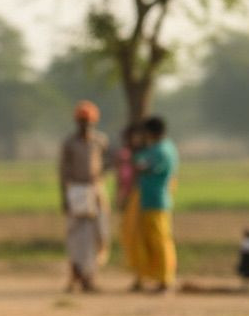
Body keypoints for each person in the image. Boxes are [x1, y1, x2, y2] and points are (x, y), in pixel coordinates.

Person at [58, 100, 109, 292]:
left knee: (99, 235)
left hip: (96, 190)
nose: (85, 125)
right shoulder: (69, 143)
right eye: (82, 121)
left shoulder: (100, 141)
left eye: (88, 122)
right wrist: (64, 197)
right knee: (77, 236)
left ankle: (90, 277)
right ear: (77, 122)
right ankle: (75, 276)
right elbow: (63, 171)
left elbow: (109, 161)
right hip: (77, 191)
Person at [132, 116, 179, 293]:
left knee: (160, 241)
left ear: (151, 132)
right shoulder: (165, 147)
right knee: (150, 240)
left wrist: (136, 152)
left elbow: (142, 166)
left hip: (156, 201)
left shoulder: (160, 150)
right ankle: (152, 277)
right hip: (151, 200)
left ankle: (165, 280)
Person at [115, 123, 147, 290]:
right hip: (129, 199)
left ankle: (144, 275)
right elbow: (121, 179)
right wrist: (120, 196)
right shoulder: (124, 155)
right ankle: (138, 276)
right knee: (130, 237)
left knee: (141, 238)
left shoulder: (143, 155)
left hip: (141, 198)